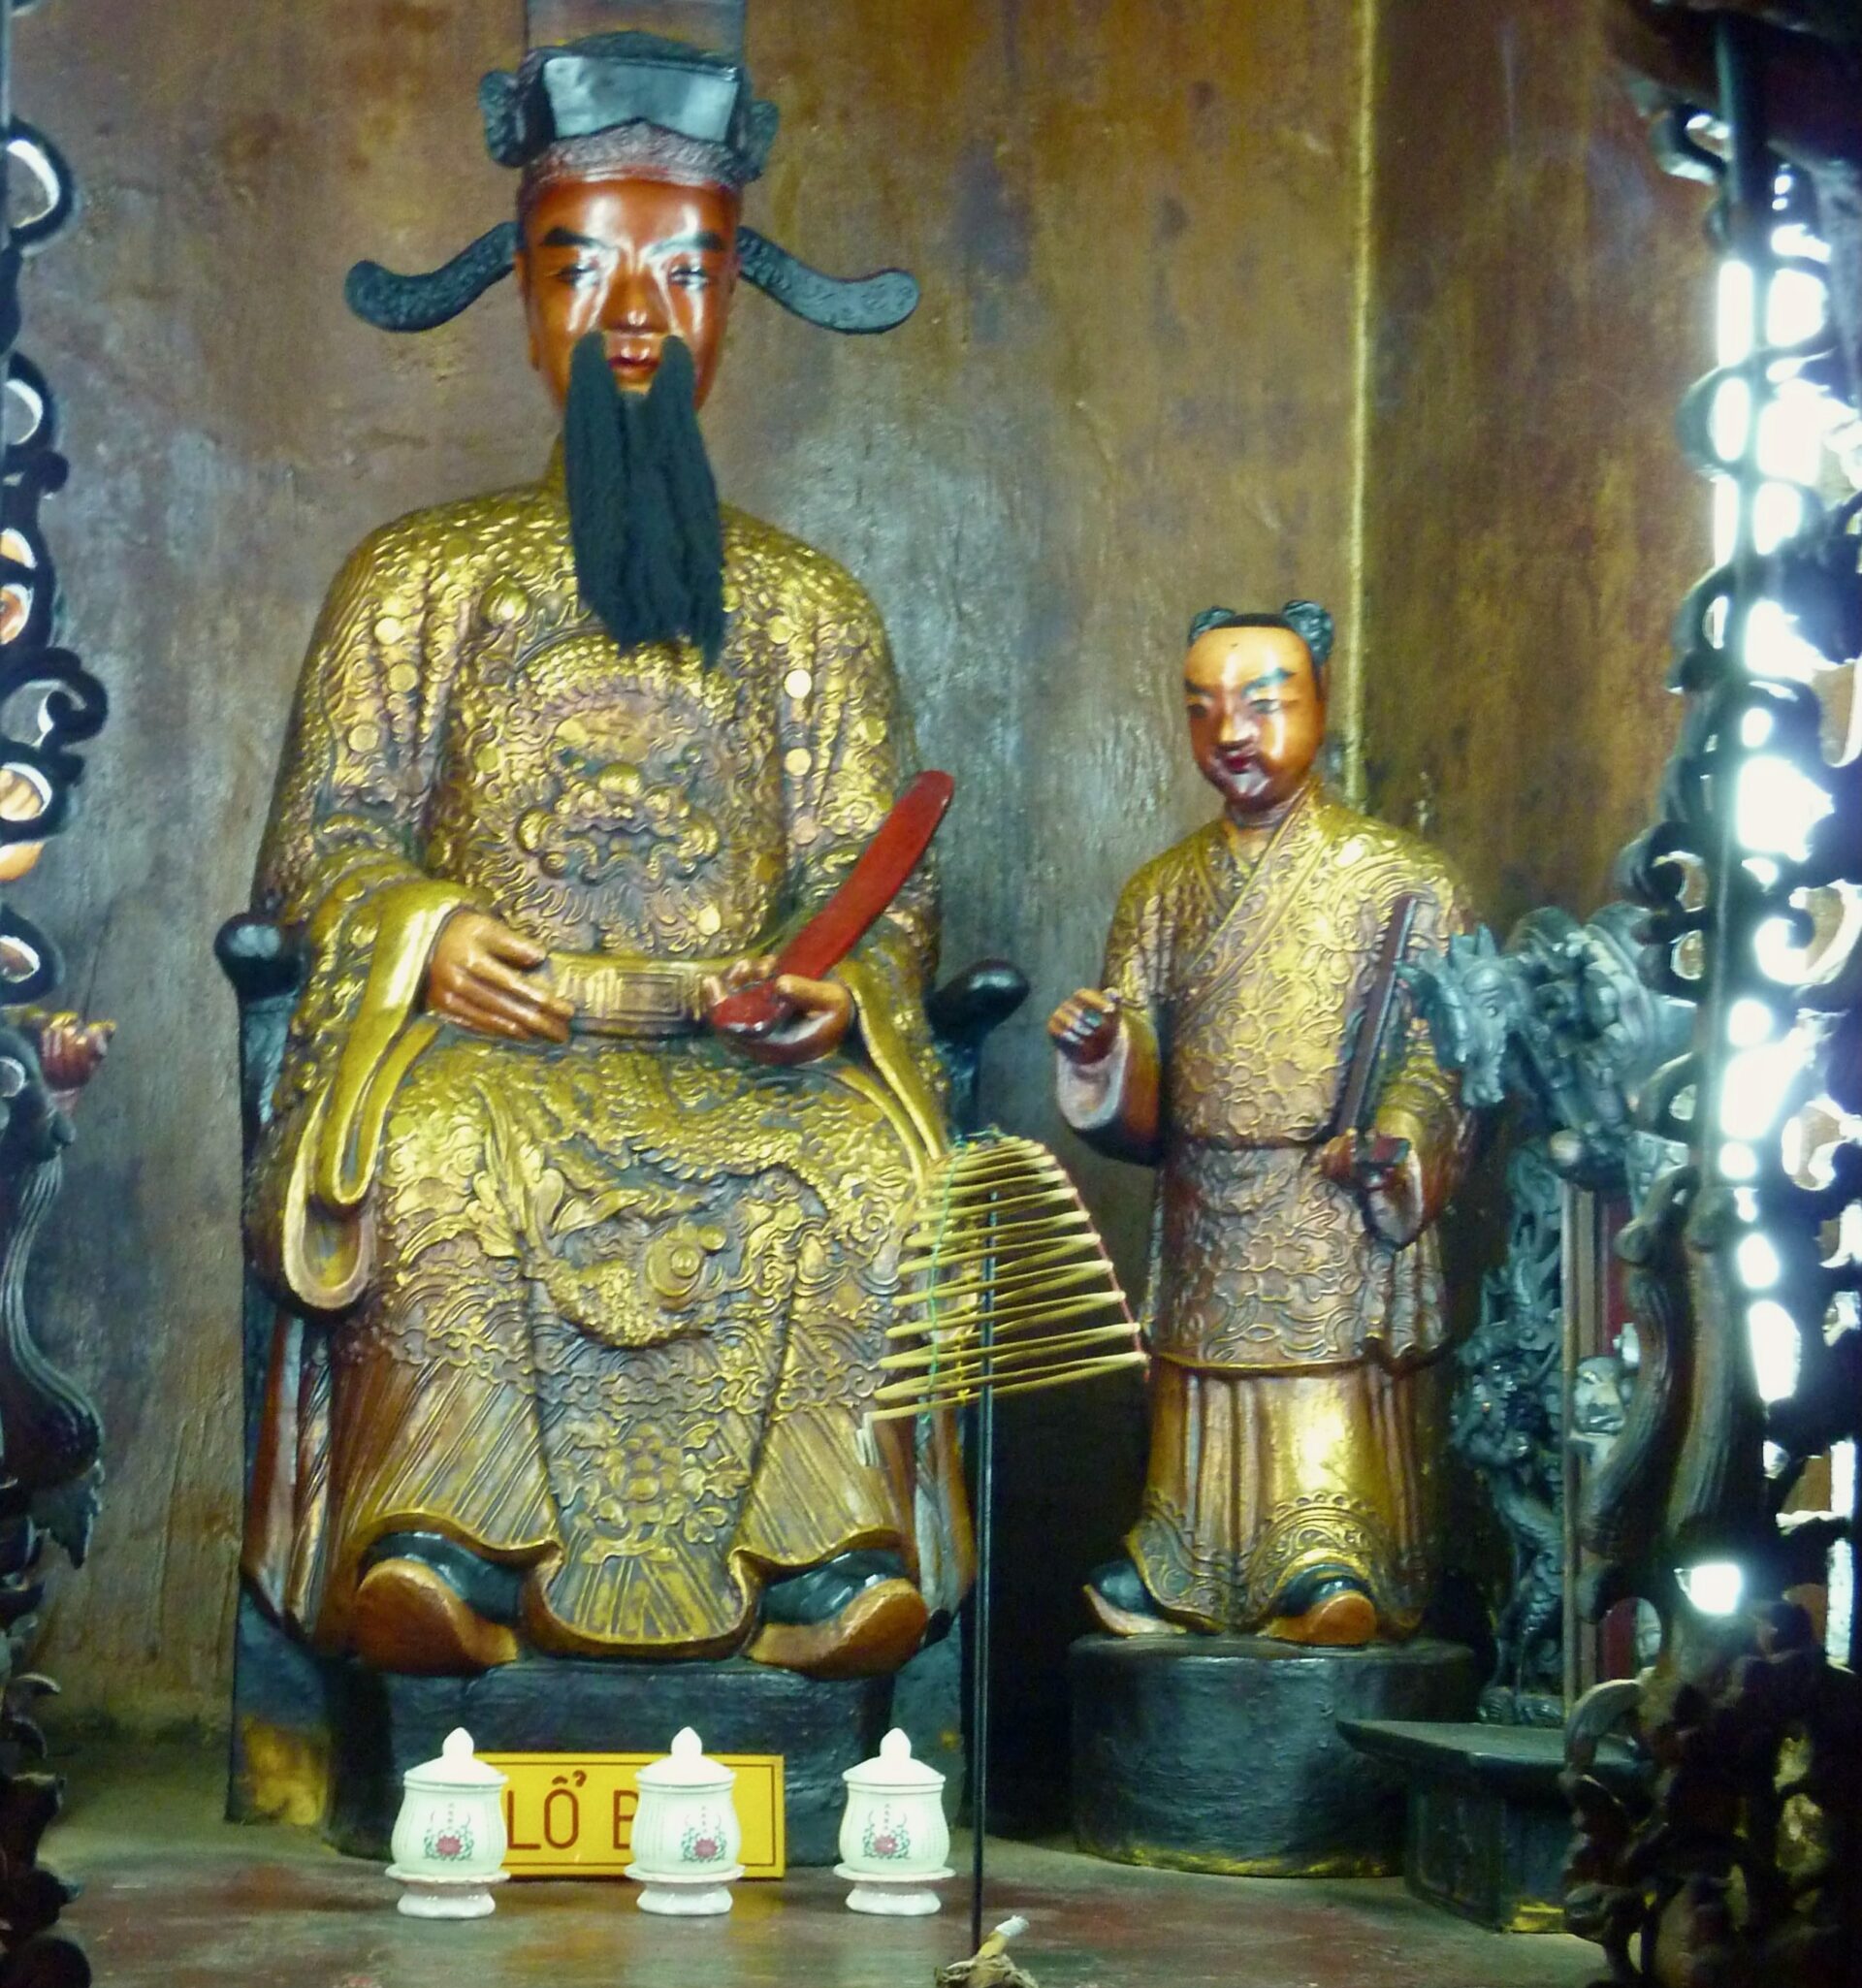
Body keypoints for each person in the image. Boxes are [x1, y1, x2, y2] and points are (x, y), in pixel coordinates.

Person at [241, 17, 964, 1683]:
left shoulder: (810, 608)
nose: (636, 314)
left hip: (733, 1054)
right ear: (520, 288)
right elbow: (327, 834)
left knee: (859, 1168)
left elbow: (874, 868)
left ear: (734, 303)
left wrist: (840, 980)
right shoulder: (416, 580)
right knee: (433, 1153)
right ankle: (440, 1546)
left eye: (687, 273)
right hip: (494, 1043)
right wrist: (425, 932)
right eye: (585, 266)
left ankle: (824, 1561)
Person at [1050, 603, 1474, 1647]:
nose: (1231, 732)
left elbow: (1445, 1051)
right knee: (1199, 1388)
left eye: (1263, 703)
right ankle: (1181, 1562)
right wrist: (1105, 1056)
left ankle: (1330, 1554)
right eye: (1203, 710)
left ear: (1321, 704)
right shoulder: (1160, 891)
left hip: (1329, 1191)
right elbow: (1143, 1107)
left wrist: (1395, 1142)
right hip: (1206, 1194)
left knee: (1318, 1376)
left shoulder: (1403, 880)